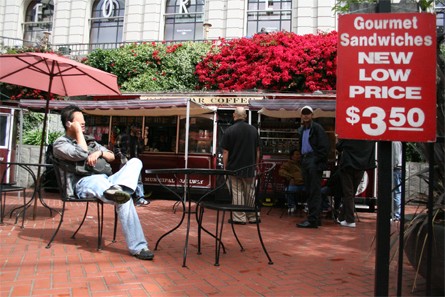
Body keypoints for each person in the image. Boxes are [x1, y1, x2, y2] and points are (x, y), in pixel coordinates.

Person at [52, 105, 154, 260]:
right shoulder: (60, 144)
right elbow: (81, 153)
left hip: (108, 180)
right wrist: (78, 132)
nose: (84, 124)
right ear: (69, 124)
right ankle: (139, 247)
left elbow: (112, 156)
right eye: (80, 122)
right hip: (84, 182)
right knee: (122, 198)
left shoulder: (90, 141)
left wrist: (99, 152)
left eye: (84, 122)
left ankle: (118, 189)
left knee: (135, 162)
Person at [220, 107, 260, 225]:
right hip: (249, 167)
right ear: (245, 116)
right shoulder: (253, 130)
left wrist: (225, 167)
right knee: (250, 192)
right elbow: (257, 150)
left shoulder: (229, 130)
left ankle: (239, 217)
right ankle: (253, 216)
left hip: (234, 168)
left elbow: (226, 152)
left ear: (234, 115)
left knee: (237, 192)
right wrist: (255, 164)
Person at [296, 105, 330, 229]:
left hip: (312, 160)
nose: (306, 115)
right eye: (304, 113)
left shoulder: (317, 128)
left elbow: (324, 147)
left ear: (312, 115)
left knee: (314, 191)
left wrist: (316, 160)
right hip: (306, 159)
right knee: (310, 190)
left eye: (308, 113)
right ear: (301, 115)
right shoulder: (302, 129)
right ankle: (315, 218)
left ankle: (313, 219)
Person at [336, 139, 376, 228]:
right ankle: (341, 217)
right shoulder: (368, 138)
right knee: (351, 193)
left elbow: (338, 146)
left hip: (348, 165)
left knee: (348, 193)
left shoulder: (349, 135)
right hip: (361, 166)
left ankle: (350, 220)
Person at [115, 125, 150, 206]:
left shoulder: (137, 138)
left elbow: (141, 150)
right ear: (131, 128)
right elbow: (116, 148)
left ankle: (140, 198)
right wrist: (122, 158)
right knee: (123, 180)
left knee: (138, 180)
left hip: (135, 162)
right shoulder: (122, 136)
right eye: (137, 127)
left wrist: (143, 141)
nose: (139, 129)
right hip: (125, 161)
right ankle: (124, 198)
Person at [278, 149, 305, 215]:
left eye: (299, 154)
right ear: (292, 156)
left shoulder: (303, 164)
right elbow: (281, 171)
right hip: (294, 184)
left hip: (304, 184)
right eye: (297, 154)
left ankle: (309, 206)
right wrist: (291, 177)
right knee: (289, 190)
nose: (299, 156)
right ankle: (292, 206)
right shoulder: (287, 164)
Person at [392, 141, 402, 221]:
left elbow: (395, 157)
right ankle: (396, 214)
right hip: (399, 169)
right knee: (397, 192)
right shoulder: (399, 142)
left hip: (396, 169)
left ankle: (396, 215)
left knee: (396, 192)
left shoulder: (394, 142)